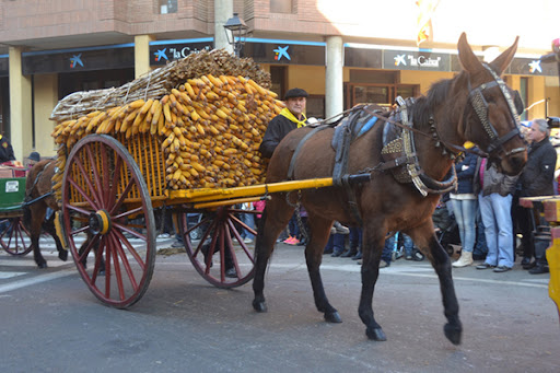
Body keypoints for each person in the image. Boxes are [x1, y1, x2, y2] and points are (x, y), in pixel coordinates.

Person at [513, 118, 557, 274]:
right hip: (526, 195)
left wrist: (530, 190)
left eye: (533, 129)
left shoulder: (548, 150)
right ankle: (532, 257)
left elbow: (546, 176)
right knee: (529, 230)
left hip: (540, 197)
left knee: (542, 232)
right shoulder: (531, 147)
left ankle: (542, 262)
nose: (530, 132)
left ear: (543, 133)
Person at [475, 157, 518, 272]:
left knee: (504, 228)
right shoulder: (483, 151)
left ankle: (505, 261)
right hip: (484, 191)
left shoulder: (502, 149)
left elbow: (514, 171)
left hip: (499, 192)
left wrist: (505, 188)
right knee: (489, 228)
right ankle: (492, 258)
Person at [450, 151, 478, 268]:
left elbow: (471, 171)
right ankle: (464, 252)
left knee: (468, 224)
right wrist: (461, 168)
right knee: (461, 225)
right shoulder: (456, 153)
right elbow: (448, 170)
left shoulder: (474, 152)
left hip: (468, 192)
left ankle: (467, 254)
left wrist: (456, 172)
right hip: (454, 192)